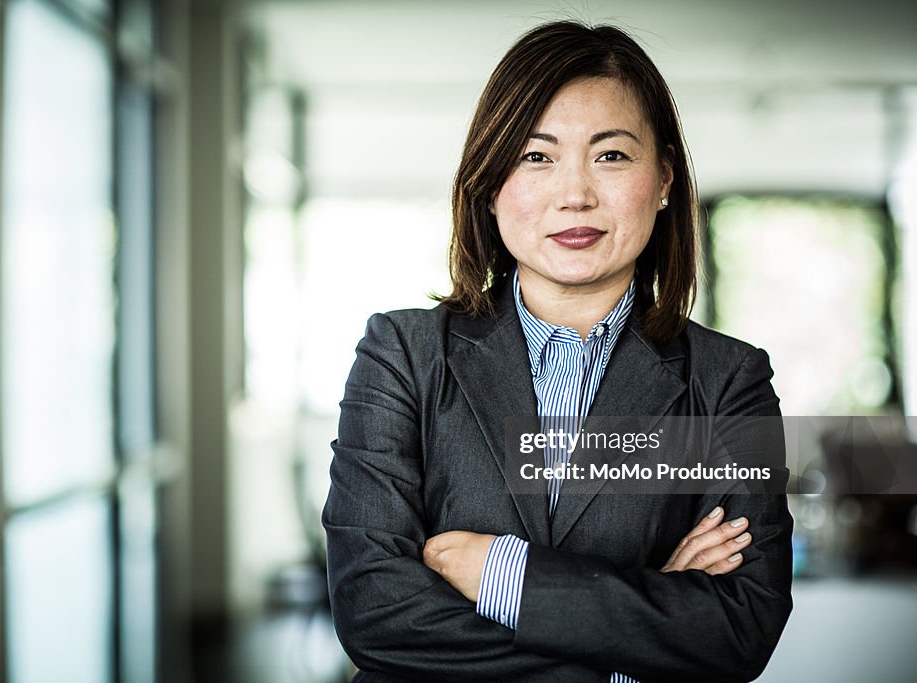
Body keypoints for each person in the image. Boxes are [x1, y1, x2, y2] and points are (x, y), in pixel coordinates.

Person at [322, 20, 792, 683]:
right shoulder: (401, 354)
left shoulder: (730, 382)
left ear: (663, 179)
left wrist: (502, 574)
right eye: (536, 157)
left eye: (612, 156)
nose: (575, 193)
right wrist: (638, 637)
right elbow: (375, 610)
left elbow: (742, 626)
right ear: (489, 183)